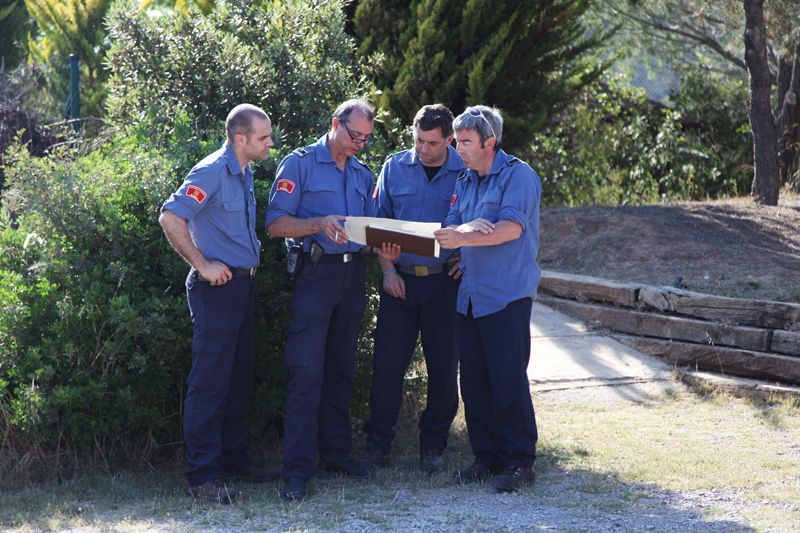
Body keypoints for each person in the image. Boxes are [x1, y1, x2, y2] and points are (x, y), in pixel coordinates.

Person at [265, 99, 399, 501]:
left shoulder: (361, 173)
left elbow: (371, 228)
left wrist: (389, 253)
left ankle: (336, 454)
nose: (360, 143)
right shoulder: (300, 163)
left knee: (341, 368)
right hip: (315, 274)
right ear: (334, 124)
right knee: (307, 370)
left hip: (352, 276)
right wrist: (318, 224)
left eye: (366, 138)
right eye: (354, 135)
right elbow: (275, 224)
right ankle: (297, 470)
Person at [159, 103, 277, 504]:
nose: (270, 143)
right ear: (240, 138)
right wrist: (203, 264)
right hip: (217, 292)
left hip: (242, 287)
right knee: (209, 384)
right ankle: (202, 477)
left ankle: (233, 460)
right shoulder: (211, 170)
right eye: (264, 137)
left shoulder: (243, 172)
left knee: (238, 380)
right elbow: (171, 217)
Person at [434, 105, 541, 493]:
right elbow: (451, 226)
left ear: (489, 142)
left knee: (507, 379)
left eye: (464, 142)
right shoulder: (465, 179)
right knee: (475, 382)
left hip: (506, 295)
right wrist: (462, 232)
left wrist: (465, 236)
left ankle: (519, 463)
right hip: (470, 296)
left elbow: (510, 229)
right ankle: (487, 458)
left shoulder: (519, 176)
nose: (456, 147)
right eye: (456, 140)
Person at [363, 104, 463, 473]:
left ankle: (433, 446)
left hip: (444, 285)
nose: (421, 148)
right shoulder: (394, 167)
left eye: (431, 142)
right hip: (399, 283)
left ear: (449, 139)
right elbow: (377, 223)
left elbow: (480, 222)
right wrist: (387, 271)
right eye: (417, 140)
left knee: (442, 367)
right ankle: (378, 446)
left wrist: (466, 258)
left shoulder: (465, 170)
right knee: (387, 366)